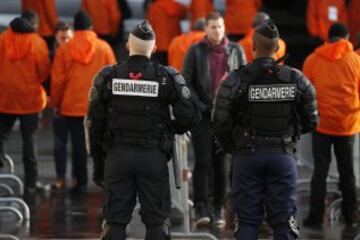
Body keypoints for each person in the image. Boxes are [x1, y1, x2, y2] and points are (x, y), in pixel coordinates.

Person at [84, 20, 200, 240]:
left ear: (127, 45)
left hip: (118, 156)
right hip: (153, 156)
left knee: (114, 222)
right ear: (155, 49)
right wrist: (171, 128)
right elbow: (191, 115)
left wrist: (99, 164)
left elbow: (94, 124)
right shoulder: (167, 77)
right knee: (157, 223)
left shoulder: (108, 76)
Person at [212, 19, 318, 240]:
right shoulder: (295, 78)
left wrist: (232, 146)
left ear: (252, 46)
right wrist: (291, 134)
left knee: (248, 221)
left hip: (247, 156)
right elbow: (312, 119)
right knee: (284, 222)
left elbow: (219, 121)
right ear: (277, 47)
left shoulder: (235, 79)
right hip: (282, 154)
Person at [182, 11, 246, 227]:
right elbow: (187, 82)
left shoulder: (236, 50)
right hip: (203, 116)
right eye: (213, 27)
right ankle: (201, 206)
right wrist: (200, 106)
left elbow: (243, 81)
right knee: (203, 162)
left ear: (224, 27)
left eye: (220, 26)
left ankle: (218, 206)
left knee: (222, 165)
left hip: (226, 117)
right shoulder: (195, 51)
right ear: (205, 29)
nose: (217, 31)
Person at [50, 11, 116, 194]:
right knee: (102, 143)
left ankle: (80, 181)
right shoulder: (104, 48)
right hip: (99, 105)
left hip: (72, 106)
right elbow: (113, 78)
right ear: (91, 27)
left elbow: (58, 81)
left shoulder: (64, 49)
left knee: (79, 145)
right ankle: (104, 180)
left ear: (75, 27)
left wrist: (55, 104)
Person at [302, 23, 360, 227]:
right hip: (347, 125)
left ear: (328, 38)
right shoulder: (356, 61)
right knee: (347, 172)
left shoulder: (313, 60)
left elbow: (305, 93)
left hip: (321, 124)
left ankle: (316, 216)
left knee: (320, 171)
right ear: (346, 38)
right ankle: (351, 214)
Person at [0, 16, 51, 192]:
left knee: (2, 133)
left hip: (5, 97)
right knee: (29, 140)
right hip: (30, 99)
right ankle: (31, 183)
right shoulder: (37, 42)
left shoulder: (3, 38)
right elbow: (44, 72)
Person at [49, 21, 74, 190]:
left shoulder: (72, 54)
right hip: (62, 105)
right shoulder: (51, 55)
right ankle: (61, 176)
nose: (64, 40)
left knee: (75, 144)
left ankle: (74, 177)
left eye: (67, 37)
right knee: (60, 143)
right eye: (62, 37)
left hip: (70, 104)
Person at [146, 0, 187, 65]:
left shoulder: (154, 7)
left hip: (160, 42)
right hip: (174, 41)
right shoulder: (177, 6)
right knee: (174, 64)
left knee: (160, 65)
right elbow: (184, 14)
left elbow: (150, 23)